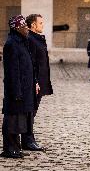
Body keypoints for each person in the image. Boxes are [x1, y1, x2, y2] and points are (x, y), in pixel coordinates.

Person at [1, 15, 35, 158]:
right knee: (12, 120)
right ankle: (10, 148)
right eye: (24, 26)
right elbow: (12, 71)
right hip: (16, 90)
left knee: (19, 120)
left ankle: (16, 147)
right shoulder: (11, 44)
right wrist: (16, 91)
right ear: (16, 28)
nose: (27, 28)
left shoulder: (22, 41)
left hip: (24, 89)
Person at [21, 14, 53, 151]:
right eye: (40, 23)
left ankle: (28, 139)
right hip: (35, 82)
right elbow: (31, 64)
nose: (42, 25)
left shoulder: (37, 38)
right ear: (33, 25)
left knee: (32, 111)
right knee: (30, 111)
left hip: (40, 80)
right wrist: (34, 81)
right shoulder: (30, 39)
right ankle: (28, 140)